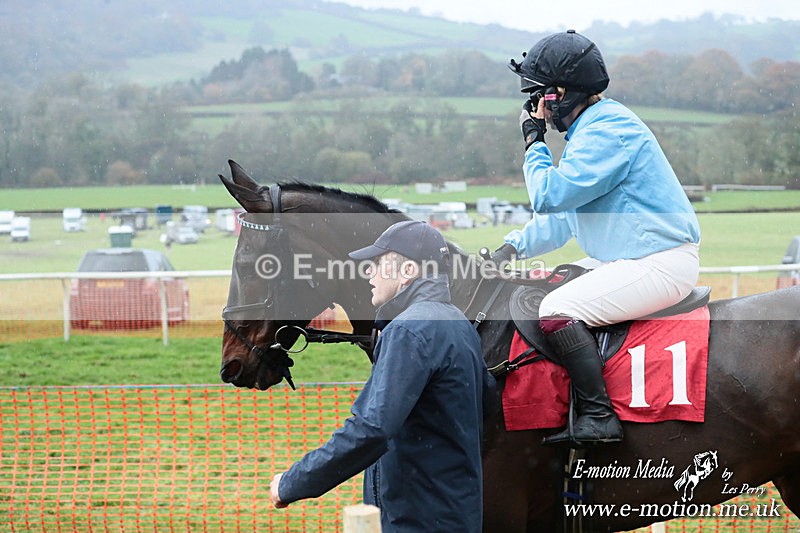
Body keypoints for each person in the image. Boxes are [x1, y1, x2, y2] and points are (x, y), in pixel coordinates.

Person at [492, 30, 701, 446]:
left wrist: (534, 143)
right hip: (629, 261)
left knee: (555, 309)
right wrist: (511, 247)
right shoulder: (591, 132)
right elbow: (565, 219)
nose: (537, 109)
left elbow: (550, 195)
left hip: (658, 263)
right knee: (547, 284)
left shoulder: (608, 131)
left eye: (540, 97)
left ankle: (598, 415)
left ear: (563, 93)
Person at [270, 220, 494, 532]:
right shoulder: (459, 323)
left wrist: (292, 482)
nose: (370, 273)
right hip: (455, 513)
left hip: (415, 521)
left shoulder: (408, 330)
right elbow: (487, 408)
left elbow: (371, 430)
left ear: (408, 272)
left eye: (378, 263)